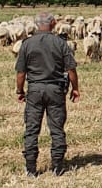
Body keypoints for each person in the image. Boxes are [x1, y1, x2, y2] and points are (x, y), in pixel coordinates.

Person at [15, 11, 80, 177]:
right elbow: (71, 69)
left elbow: (21, 73)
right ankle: (57, 166)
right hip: (56, 90)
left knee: (31, 129)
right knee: (57, 128)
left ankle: (30, 168)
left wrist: (20, 91)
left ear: (37, 24)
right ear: (52, 24)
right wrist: (75, 88)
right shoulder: (60, 43)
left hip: (35, 90)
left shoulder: (27, 44)